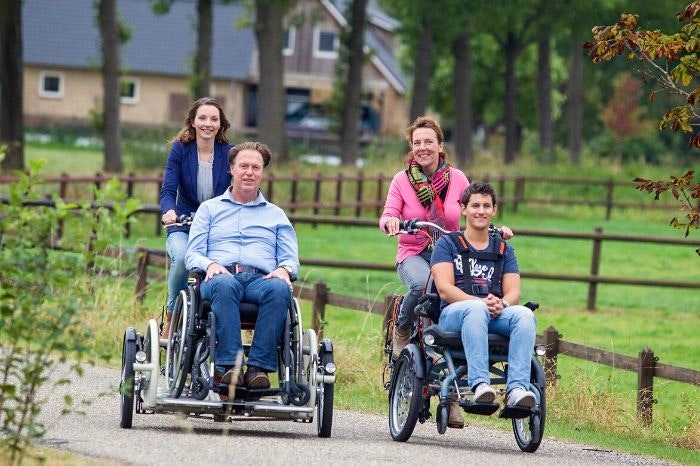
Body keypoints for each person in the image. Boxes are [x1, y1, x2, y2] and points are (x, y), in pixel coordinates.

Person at [379, 116, 512, 360]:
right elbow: (387, 214)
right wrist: (391, 222)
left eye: (428, 142)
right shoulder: (401, 180)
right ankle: (402, 327)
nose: (422, 148)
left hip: (451, 253)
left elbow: (474, 210)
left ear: (440, 146)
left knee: (463, 291)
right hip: (414, 253)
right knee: (422, 285)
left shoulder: (458, 178)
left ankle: (452, 349)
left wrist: (494, 229)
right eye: (417, 143)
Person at [185, 142, 299, 390]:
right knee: (225, 284)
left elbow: (291, 259)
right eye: (243, 166)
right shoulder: (209, 209)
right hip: (220, 277)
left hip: (261, 280)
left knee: (280, 289)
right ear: (232, 169)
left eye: (255, 167)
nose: (249, 172)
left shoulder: (276, 215)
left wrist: (284, 270)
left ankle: (258, 370)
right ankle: (231, 367)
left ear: (262, 173)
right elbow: (192, 254)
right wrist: (210, 263)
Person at [430, 182, 537, 417]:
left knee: (525, 314)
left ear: (494, 210)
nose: (481, 211)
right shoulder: (447, 244)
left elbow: (513, 291)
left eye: (486, 206)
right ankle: (480, 385)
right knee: (476, 310)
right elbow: (445, 289)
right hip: (454, 314)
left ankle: (517, 388)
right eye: (475, 205)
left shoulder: (503, 249)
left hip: (493, 313)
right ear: (464, 209)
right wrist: (478, 303)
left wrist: (504, 304)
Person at [159, 97, 234, 339]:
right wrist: (169, 211)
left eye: (214, 119)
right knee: (181, 258)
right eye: (202, 118)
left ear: (221, 124)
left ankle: (220, 323)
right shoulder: (180, 149)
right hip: (184, 222)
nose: (208, 124)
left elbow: (241, 187)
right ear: (192, 121)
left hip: (217, 225)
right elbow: (168, 190)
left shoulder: (229, 153)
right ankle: (172, 316)